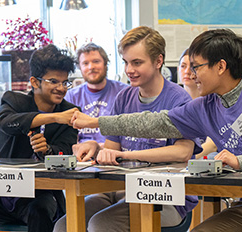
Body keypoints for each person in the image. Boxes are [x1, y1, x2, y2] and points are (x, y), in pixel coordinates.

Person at [71, 29, 242, 232]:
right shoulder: (203, 106)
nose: (189, 75)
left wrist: (240, 161)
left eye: (196, 67)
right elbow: (153, 122)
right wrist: (95, 123)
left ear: (220, 66)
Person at [54, 26, 199, 232]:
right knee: (63, 226)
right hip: (117, 188)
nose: (129, 70)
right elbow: (112, 150)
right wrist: (96, 147)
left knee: (101, 224)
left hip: (164, 195)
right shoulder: (124, 97)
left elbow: (182, 152)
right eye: (126, 62)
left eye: (137, 63)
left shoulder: (179, 98)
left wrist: (125, 154)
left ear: (158, 61)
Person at [0, 44, 79, 232]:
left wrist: (47, 150)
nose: (61, 88)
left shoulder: (70, 112)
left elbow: (66, 149)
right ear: (34, 81)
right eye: (54, 81)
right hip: (0, 190)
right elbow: (5, 122)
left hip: (39, 194)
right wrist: (53, 117)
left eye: (65, 82)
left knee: (41, 210)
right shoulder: (15, 101)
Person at [65, 42, 128, 144]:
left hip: (113, 153)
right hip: (82, 156)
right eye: (85, 63)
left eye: (96, 61)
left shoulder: (125, 93)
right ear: (80, 68)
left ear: (105, 63)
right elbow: (68, 136)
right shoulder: (71, 97)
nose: (91, 67)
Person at [178, 49, 217, 159]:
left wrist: (186, 159)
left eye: (193, 67)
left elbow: (211, 146)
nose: (187, 71)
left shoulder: (212, 103)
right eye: (183, 66)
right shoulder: (174, 100)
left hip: (200, 159)